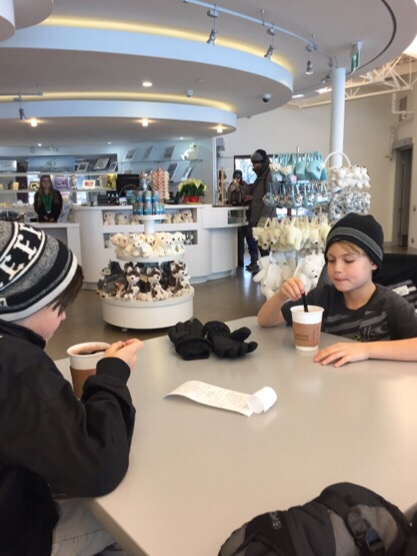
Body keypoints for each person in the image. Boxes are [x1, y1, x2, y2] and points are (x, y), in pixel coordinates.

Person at [0, 221, 143, 555]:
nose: (64, 318)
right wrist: (112, 375)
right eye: (59, 307)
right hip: (18, 536)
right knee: (130, 518)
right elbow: (99, 464)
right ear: (21, 303)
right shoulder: (18, 367)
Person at [257, 212, 417, 366]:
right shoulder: (322, 298)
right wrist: (281, 296)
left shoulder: (391, 304)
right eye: (331, 260)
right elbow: (265, 320)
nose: (337, 268)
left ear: (373, 262)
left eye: (348, 260)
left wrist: (366, 350)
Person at [247, 149, 276, 264]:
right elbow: (253, 190)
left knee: (266, 249)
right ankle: (265, 269)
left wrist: (263, 220)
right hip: (258, 218)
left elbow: (271, 198)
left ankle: (269, 270)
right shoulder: (261, 176)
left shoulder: (269, 175)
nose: (254, 166)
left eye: (256, 163)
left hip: (265, 220)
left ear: (262, 162)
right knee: (262, 248)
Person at [227, 169, 259, 270]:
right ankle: (239, 260)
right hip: (235, 214)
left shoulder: (246, 186)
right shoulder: (231, 187)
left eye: (238, 178)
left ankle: (254, 261)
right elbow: (229, 199)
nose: (237, 180)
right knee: (238, 237)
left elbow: (248, 197)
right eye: (235, 178)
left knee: (250, 237)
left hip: (248, 215)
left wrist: (242, 193)